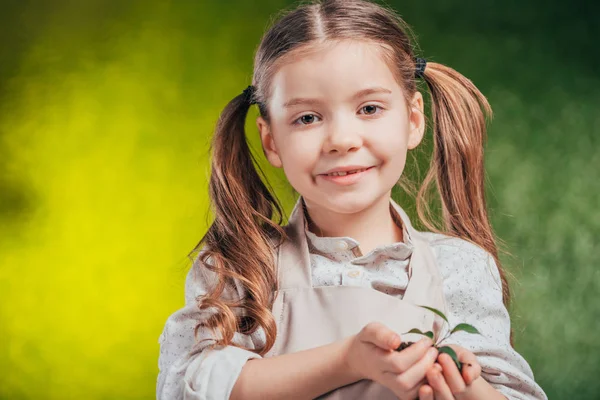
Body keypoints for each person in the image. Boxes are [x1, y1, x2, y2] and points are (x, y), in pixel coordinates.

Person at [157, 0, 548, 399]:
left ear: (413, 121)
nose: (342, 140)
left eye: (369, 108)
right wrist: (347, 360)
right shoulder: (242, 264)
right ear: (271, 140)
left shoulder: (460, 267)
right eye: (307, 117)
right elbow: (186, 385)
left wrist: (462, 387)